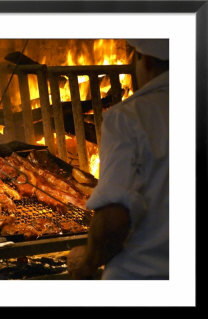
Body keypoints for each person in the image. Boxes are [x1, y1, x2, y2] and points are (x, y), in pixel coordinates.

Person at [67, 39, 169, 280]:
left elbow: (115, 215)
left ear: (147, 61)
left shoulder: (128, 117)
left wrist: (89, 260)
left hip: (142, 277)